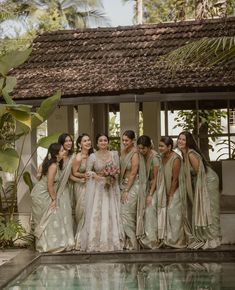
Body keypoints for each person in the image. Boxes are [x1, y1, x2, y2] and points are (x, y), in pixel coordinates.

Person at [177, 131, 221, 249]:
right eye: (179, 139)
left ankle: (212, 239)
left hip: (207, 181)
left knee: (208, 208)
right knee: (201, 208)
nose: (180, 141)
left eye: (183, 139)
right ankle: (204, 236)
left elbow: (199, 173)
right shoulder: (184, 154)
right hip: (200, 180)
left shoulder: (191, 154)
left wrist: (199, 192)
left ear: (188, 142)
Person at [80, 133, 123, 252]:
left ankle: (111, 241)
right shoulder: (93, 156)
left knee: (110, 213)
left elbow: (118, 171)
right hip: (98, 188)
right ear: (97, 143)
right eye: (100, 140)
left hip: (110, 187)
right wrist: (95, 175)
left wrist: (113, 176)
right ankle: (96, 242)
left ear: (108, 142)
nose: (103, 142)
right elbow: (88, 172)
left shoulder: (114, 155)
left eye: (105, 140)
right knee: (98, 213)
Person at [31, 143, 75, 252]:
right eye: (61, 151)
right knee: (49, 217)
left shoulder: (55, 164)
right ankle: (47, 246)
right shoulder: (53, 166)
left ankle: (50, 244)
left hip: (46, 191)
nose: (64, 152)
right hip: (42, 193)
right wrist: (54, 200)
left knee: (51, 217)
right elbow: (49, 185)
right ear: (56, 154)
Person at [158, 136, 186, 248]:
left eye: (162, 146)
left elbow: (175, 179)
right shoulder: (161, 157)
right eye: (159, 146)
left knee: (173, 212)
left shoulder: (176, 159)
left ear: (169, 147)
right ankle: (167, 239)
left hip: (175, 190)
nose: (159, 148)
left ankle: (176, 241)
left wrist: (171, 195)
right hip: (164, 189)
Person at [136, 135, 162, 249]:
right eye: (139, 148)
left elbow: (156, 178)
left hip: (157, 187)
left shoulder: (155, 157)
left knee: (150, 209)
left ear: (149, 147)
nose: (141, 151)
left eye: (143, 148)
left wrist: (150, 195)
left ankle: (152, 240)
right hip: (147, 186)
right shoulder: (142, 156)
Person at [72, 134, 93, 250]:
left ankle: (90, 239)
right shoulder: (78, 157)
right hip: (80, 186)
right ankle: (80, 240)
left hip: (91, 186)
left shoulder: (92, 155)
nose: (88, 142)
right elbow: (74, 172)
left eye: (89, 140)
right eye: (85, 141)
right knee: (82, 212)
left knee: (90, 212)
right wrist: (83, 176)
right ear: (80, 144)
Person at [120, 130, 140, 250]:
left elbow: (133, 173)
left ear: (133, 141)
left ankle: (133, 243)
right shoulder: (123, 152)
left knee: (127, 214)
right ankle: (126, 242)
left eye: (126, 140)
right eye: (123, 140)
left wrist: (127, 190)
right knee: (121, 214)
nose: (124, 142)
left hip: (132, 186)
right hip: (122, 185)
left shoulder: (135, 154)